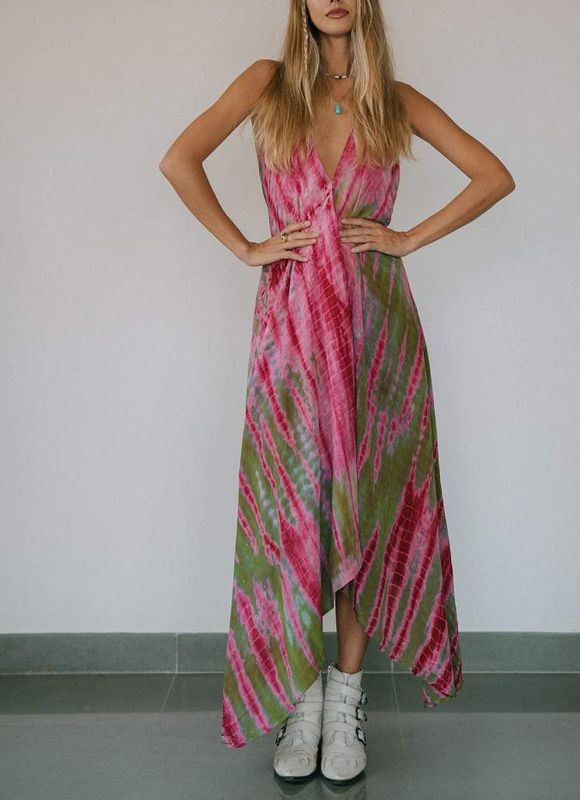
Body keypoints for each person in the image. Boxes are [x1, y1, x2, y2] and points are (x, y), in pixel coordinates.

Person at [159, 0, 515, 786]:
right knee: (294, 512)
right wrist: (247, 246)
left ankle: (347, 695)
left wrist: (406, 237)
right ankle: (301, 698)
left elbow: (495, 176)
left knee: (366, 505)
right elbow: (179, 159)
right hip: (290, 334)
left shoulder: (394, 97)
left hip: (376, 333)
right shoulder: (266, 84)